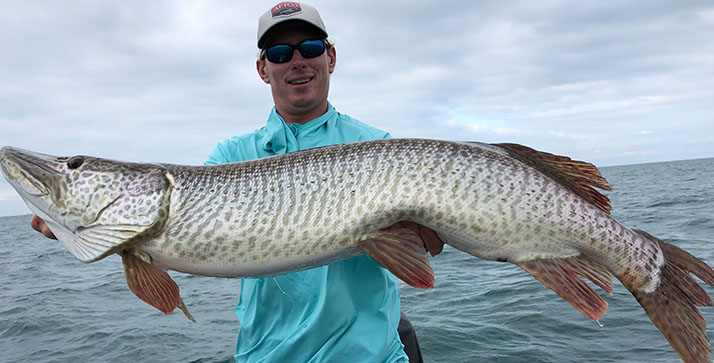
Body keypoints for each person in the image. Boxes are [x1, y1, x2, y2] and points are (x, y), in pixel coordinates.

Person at [31, 2, 443, 362]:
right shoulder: (230, 157)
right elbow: (172, 247)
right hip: (265, 355)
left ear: (330, 58)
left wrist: (427, 235)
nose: (297, 60)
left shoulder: (378, 145)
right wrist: (81, 227)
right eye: (280, 53)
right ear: (264, 69)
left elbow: (428, 246)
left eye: (310, 48)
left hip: (369, 356)